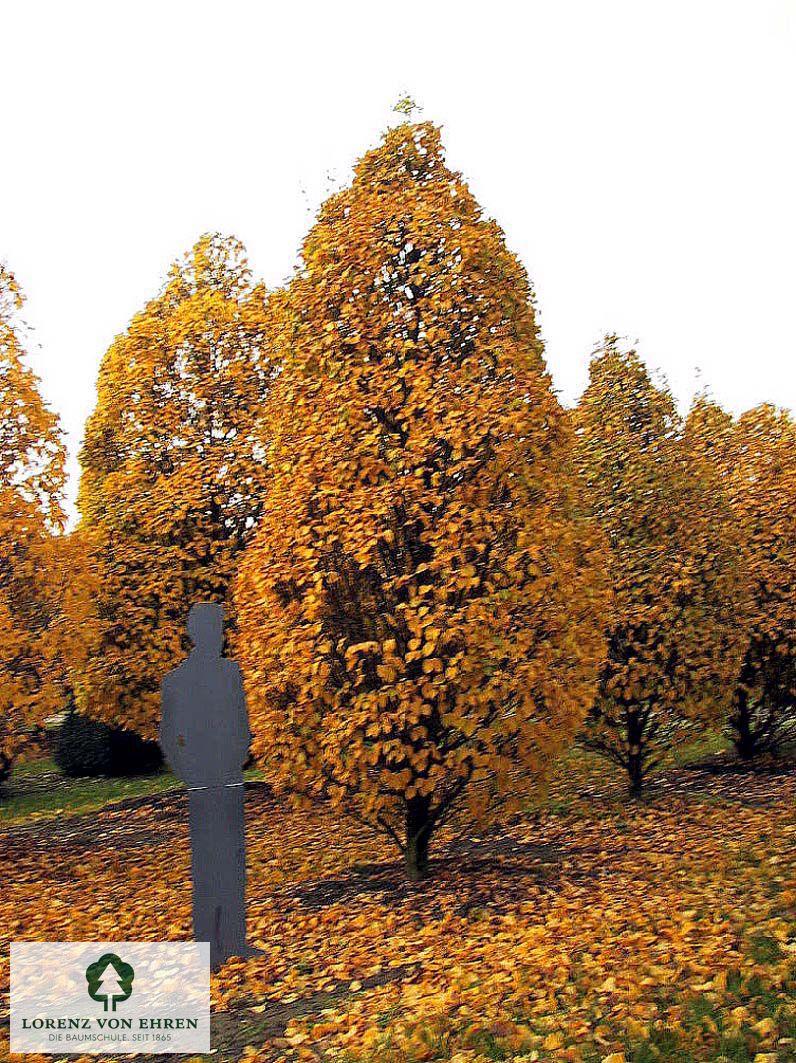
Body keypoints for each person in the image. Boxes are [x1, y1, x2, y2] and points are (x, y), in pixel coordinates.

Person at [159, 602, 257, 969]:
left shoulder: (232, 673)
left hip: (229, 776)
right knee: (206, 862)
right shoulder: (177, 681)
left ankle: (234, 939)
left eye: (220, 629)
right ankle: (208, 947)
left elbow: (242, 719)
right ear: (197, 634)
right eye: (213, 629)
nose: (219, 636)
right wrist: (187, 770)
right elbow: (168, 734)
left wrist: (241, 752)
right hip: (202, 781)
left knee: (232, 859)